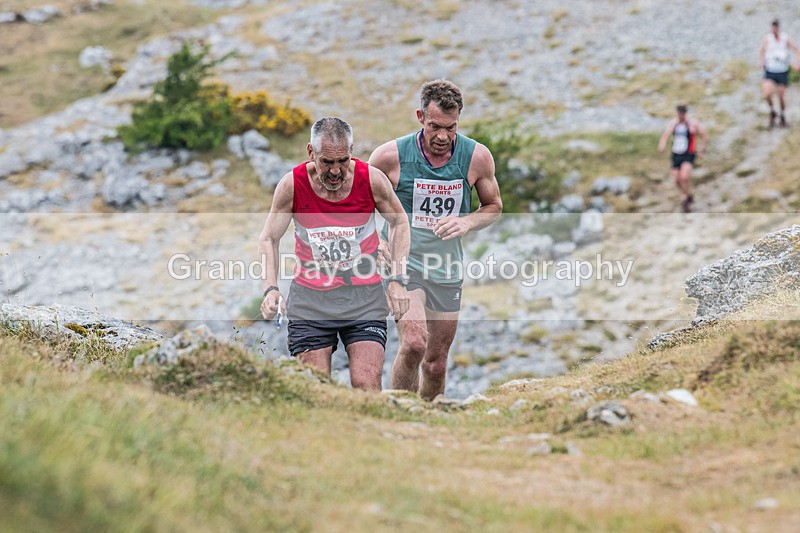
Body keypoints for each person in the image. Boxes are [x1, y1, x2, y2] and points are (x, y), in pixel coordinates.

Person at [369, 79, 503, 400]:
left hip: (446, 268)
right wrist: (376, 240)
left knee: (436, 364)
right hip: (405, 265)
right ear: (420, 117)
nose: (442, 136)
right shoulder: (389, 156)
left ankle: (430, 419)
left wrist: (466, 222)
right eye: (434, 126)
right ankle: (401, 415)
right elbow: (356, 202)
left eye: (451, 127)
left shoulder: (476, 157)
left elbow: (494, 206)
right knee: (414, 343)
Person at [259, 117, 410, 390]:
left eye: (343, 160)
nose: (336, 171)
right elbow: (269, 237)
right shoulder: (291, 185)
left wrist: (398, 280)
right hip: (311, 299)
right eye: (327, 162)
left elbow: (399, 221)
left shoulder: (372, 180)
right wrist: (270, 288)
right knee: (317, 390)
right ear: (310, 152)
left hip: (363, 296)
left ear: (352, 150)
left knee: (366, 385)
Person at [658, 105, 708, 213]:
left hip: (688, 153)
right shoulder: (674, 124)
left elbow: (703, 134)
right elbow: (666, 135)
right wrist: (662, 145)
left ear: (685, 113)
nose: (680, 115)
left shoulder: (692, 123)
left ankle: (685, 198)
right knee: (677, 179)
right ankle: (687, 194)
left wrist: (703, 149)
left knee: (684, 176)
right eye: (679, 113)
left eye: (682, 113)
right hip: (676, 153)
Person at [759, 19, 800, 128]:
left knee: (781, 96)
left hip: (782, 71)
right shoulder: (767, 39)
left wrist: (797, 63)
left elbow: (797, 49)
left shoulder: (785, 38)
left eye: (775, 29)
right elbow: (761, 51)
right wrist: (761, 62)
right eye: (772, 29)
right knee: (767, 93)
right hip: (770, 70)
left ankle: (782, 115)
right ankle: (772, 111)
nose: (774, 31)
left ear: (778, 28)